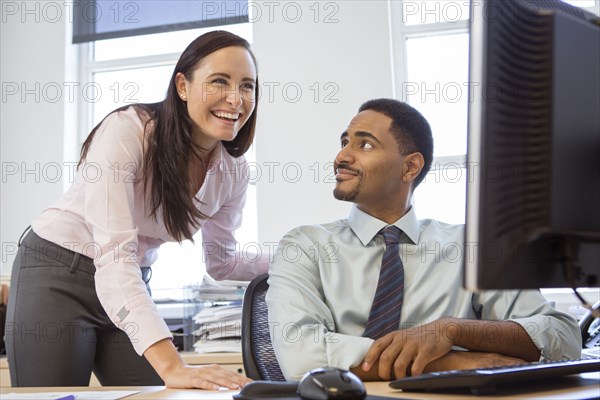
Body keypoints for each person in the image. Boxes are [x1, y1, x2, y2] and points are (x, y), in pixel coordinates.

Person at [5, 30, 266, 389]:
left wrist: (298, 257)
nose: (235, 98)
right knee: (55, 397)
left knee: (164, 394)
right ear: (183, 86)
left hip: (130, 281)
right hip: (58, 272)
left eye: (247, 86)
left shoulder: (233, 171)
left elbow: (222, 262)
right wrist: (174, 365)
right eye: (219, 81)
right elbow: (114, 258)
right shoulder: (129, 131)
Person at [266, 98, 582, 381]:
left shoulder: (471, 245)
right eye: (344, 142)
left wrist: (451, 329)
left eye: (364, 145)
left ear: (410, 166)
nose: (341, 156)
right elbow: (300, 357)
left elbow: (563, 337)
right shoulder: (304, 245)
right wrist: (449, 362)